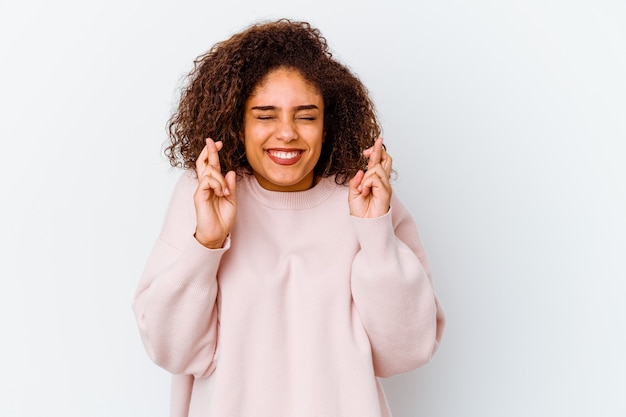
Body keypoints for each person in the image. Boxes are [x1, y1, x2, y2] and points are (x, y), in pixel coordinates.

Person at [133, 18, 445, 417]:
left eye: (306, 115)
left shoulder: (365, 198)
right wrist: (206, 244)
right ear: (237, 122)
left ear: (328, 124)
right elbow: (170, 350)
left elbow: (408, 350)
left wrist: (376, 233)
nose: (286, 133)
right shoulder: (204, 197)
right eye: (265, 115)